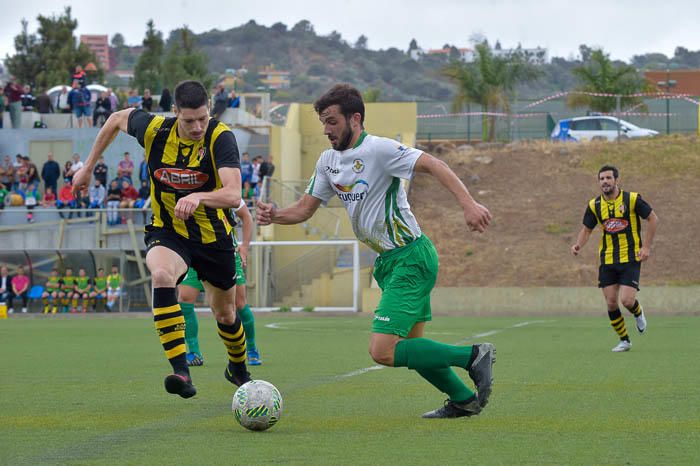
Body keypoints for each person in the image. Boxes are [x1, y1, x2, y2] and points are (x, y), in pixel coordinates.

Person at [256, 84, 494, 419]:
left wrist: (469, 205)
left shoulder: (380, 150)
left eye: (332, 121)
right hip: (389, 262)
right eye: (323, 122)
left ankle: (473, 356)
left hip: (411, 256)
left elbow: (434, 164)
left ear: (355, 118)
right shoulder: (327, 161)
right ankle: (463, 399)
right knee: (411, 347)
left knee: (383, 351)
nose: (326, 129)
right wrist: (276, 214)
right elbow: (305, 208)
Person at [71, 79, 250, 399]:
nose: (197, 127)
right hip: (168, 231)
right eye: (189, 120)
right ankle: (181, 371)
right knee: (162, 275)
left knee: (225, 313)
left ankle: (237, 368)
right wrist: (87, 168)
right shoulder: (155, 129)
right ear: (174, 113)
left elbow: (233, 193)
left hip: (214, 238)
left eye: (202, 118)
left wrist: (198, 197)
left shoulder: (220, 137)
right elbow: (114, 119)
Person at [571, 165, 659, 352]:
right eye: (601, 179)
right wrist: (578, 245)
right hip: (608, 260)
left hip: (630, 257)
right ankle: (624, 340)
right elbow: (587, 229)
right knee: (611, 302)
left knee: (626, 300)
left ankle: (637, 312)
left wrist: (646, 247)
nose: (605, 181)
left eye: (608, 178)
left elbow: (653, 219)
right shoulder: (594, 205)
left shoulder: (632, 199)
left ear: (616, 180)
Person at [177, 199, 261, 367]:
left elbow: (246, 216)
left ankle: (251, 348)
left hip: (225, 253)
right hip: (194, 254)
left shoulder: (224, 189)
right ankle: (194, 352)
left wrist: (244, 247)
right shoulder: (182, 191)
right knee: (185, 299)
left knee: (239, 303)